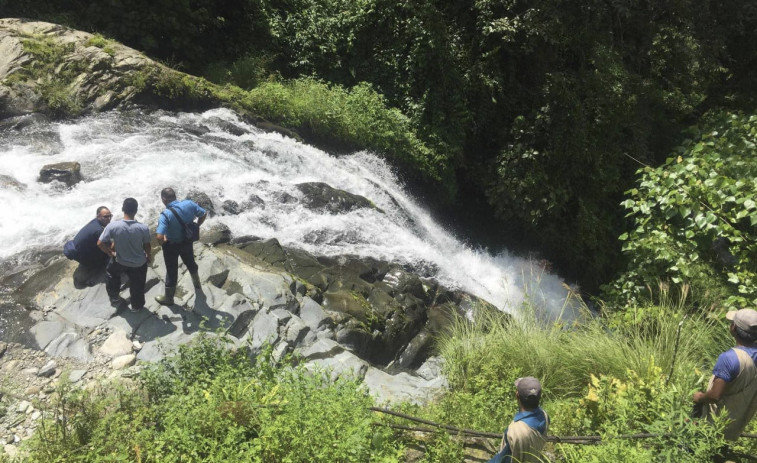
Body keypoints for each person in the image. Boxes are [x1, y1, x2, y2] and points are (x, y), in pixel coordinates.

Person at [693, 309, 757, 442]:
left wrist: (700, 397)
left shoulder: (729, 358)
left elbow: (715, 395)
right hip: (738, 418)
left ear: (733, 327)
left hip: (716, 423)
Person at [97, 198, 151, 312]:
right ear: (136, 211)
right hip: (139, 263)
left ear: (122, 209)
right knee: (138, 285)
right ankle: (137, 306)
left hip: (120, 260)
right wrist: (149, 256)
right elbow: (147, 246)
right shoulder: (143, 228)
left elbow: (100, 243)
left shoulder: (113, 226)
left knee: (112, 274)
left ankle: (115, 297)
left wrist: (111, 253)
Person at [155, 187, 207, 305]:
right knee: (190, 262)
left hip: (171, 246)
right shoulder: (189, 204)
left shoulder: (165, 215)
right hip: (187, 242)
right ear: (175, 195)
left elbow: (159, 236)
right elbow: (203, 214)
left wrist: (163, 241)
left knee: (171, 270)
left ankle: (169, 298)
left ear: (164, 199)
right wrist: (197, 225)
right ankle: (197, 285)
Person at [487, 377, 549, 463]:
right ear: (539, 397)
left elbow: (502, 459)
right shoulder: (545, 417)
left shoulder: (514, 431)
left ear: (517, 395)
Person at [64, 206, 112, 287]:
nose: (109, 219)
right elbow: (109, 247)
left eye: (110, 216)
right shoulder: (98, 230)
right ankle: (92, 275)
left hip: (78, 250)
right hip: (82, 256)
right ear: (98, 216)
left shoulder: (94, 222)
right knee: (108, 258)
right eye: (106, 217)